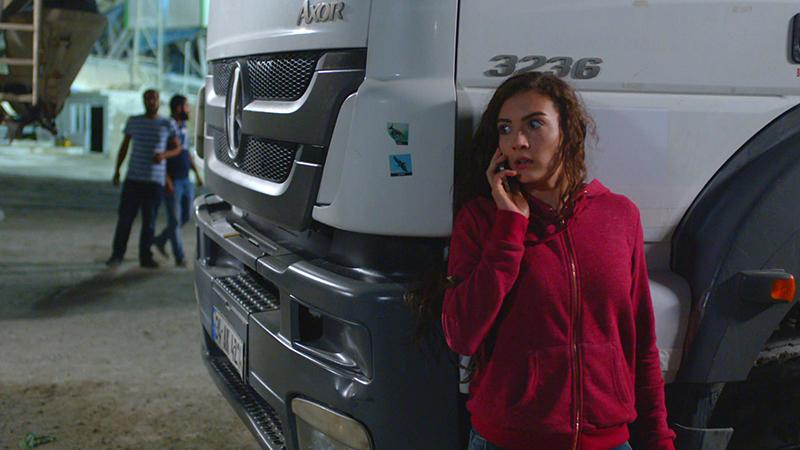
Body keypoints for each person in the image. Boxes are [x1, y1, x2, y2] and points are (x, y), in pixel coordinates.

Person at [440, 73, 675, 450]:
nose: (517, 141)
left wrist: (659, 440)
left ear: (568, 131)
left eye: (534, 124)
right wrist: (509, 228)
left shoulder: (619, 216)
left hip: (609, 441)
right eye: (505, 128)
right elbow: (462, 334)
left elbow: (641, 343)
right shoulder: (482, 221)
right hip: (508, 442)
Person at [107, 89, 181, 269]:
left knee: (149, 222)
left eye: (154, 98)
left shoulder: (167, 124)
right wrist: (117, 170)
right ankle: (117, 255)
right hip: (133, 179)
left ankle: (145, 257)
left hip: (155, 182)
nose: (151, 101)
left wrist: (164, 155)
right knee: (125, 219)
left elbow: (177, 148)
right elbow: (124, 147)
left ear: (159, 101)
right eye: (148, 98)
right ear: (143, 101)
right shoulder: (134, 121)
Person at [153, 94, 203, 267]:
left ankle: (161, 239)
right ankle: (179, 257)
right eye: (187, 106)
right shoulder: (168, 127)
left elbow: (186, 153)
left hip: (186, 180)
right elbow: (160, 155)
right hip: (172, 180)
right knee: (174, 220)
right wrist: (166, 179)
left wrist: (197, 174)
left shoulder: (183, 127)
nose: (189, 109)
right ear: (178, 108)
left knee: (187, 215)